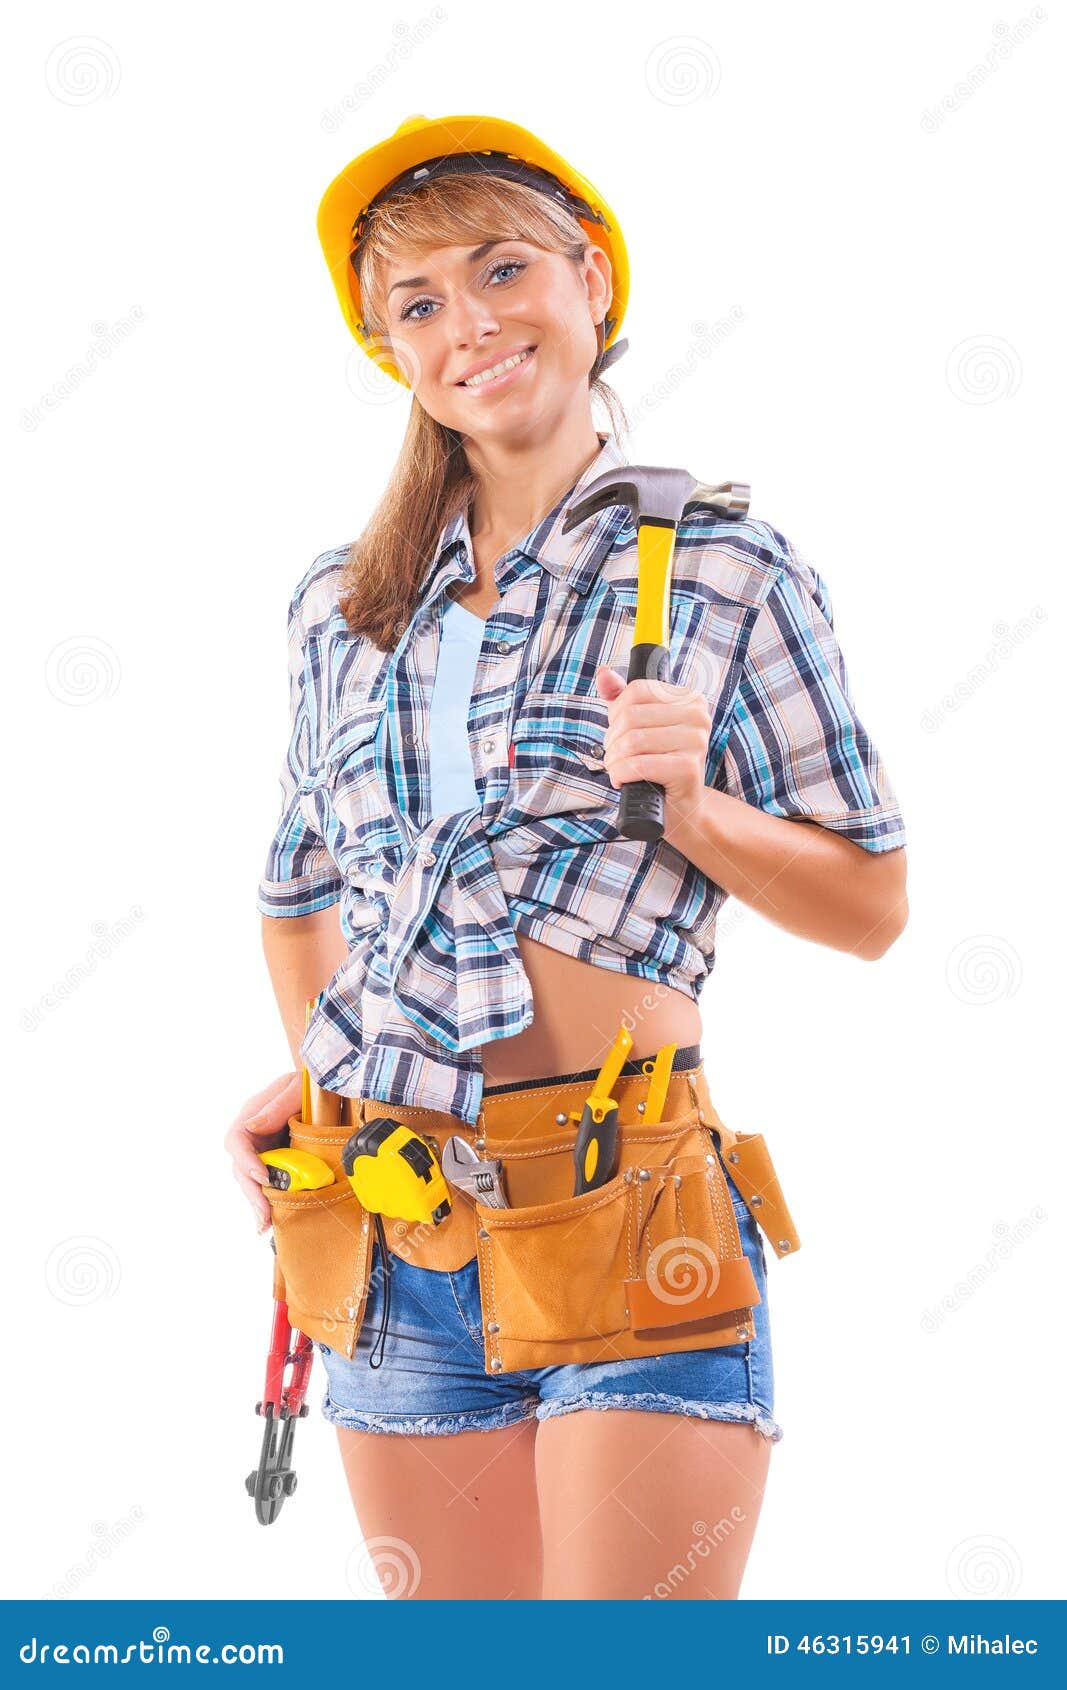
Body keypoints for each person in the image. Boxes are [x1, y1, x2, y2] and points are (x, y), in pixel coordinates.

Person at [225, 115, 909, 1600]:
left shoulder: (723, 564)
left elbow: (872, 904)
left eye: (504, 268)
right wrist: (333, 1073)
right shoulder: (342, 606)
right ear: (389, 349)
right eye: (418, 304)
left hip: (628, 1207)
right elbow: (297, 897)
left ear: (589, 280)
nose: (470, 324)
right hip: (391, 1232)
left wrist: (698, 809)